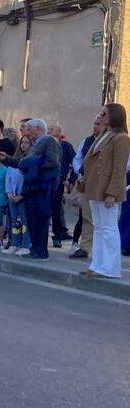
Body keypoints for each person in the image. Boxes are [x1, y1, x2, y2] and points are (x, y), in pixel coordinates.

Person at [80, 103, 129, 279]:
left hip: (107, 188)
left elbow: (119, 168)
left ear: (114, 116)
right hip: (95, 185)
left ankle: (110, 268)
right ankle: (97, 265)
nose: (101, 116)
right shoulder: (104, 134)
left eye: (104, 114)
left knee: (109, 228)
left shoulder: (121, 138)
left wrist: (112, 193)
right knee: (99, 227)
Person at [17, 119, 61, 260]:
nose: (26, 131)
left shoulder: (49, 141)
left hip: (43, 186)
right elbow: (22, 163)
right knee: (32, 218)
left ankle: (41, 251)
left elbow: (53, 161)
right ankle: (35, 249)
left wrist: (32, 164)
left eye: (29, 128)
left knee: (41, 217)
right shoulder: (35, 145)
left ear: (38, 128)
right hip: (33, 187)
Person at [70, 116, 101, 259]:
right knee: (86, 216)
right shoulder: (87, 141)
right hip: (87, 182)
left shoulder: (113, 140)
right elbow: (77, 159)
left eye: (98, 124)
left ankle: (100, 249)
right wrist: (81, 171)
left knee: (102, 219)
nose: (95, 126)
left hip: (103, 183)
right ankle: (85, 247)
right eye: (94, 123)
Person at [49, 124, 75, 248]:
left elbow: (75, 162)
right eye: (48, 129)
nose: (48, 131)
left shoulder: (65, 146)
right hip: (46, 182)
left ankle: (58, 235)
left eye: (51, 129)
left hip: (58, 182)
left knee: (56, 211)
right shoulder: (45, 144)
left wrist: (71, 180)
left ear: (59, 132)